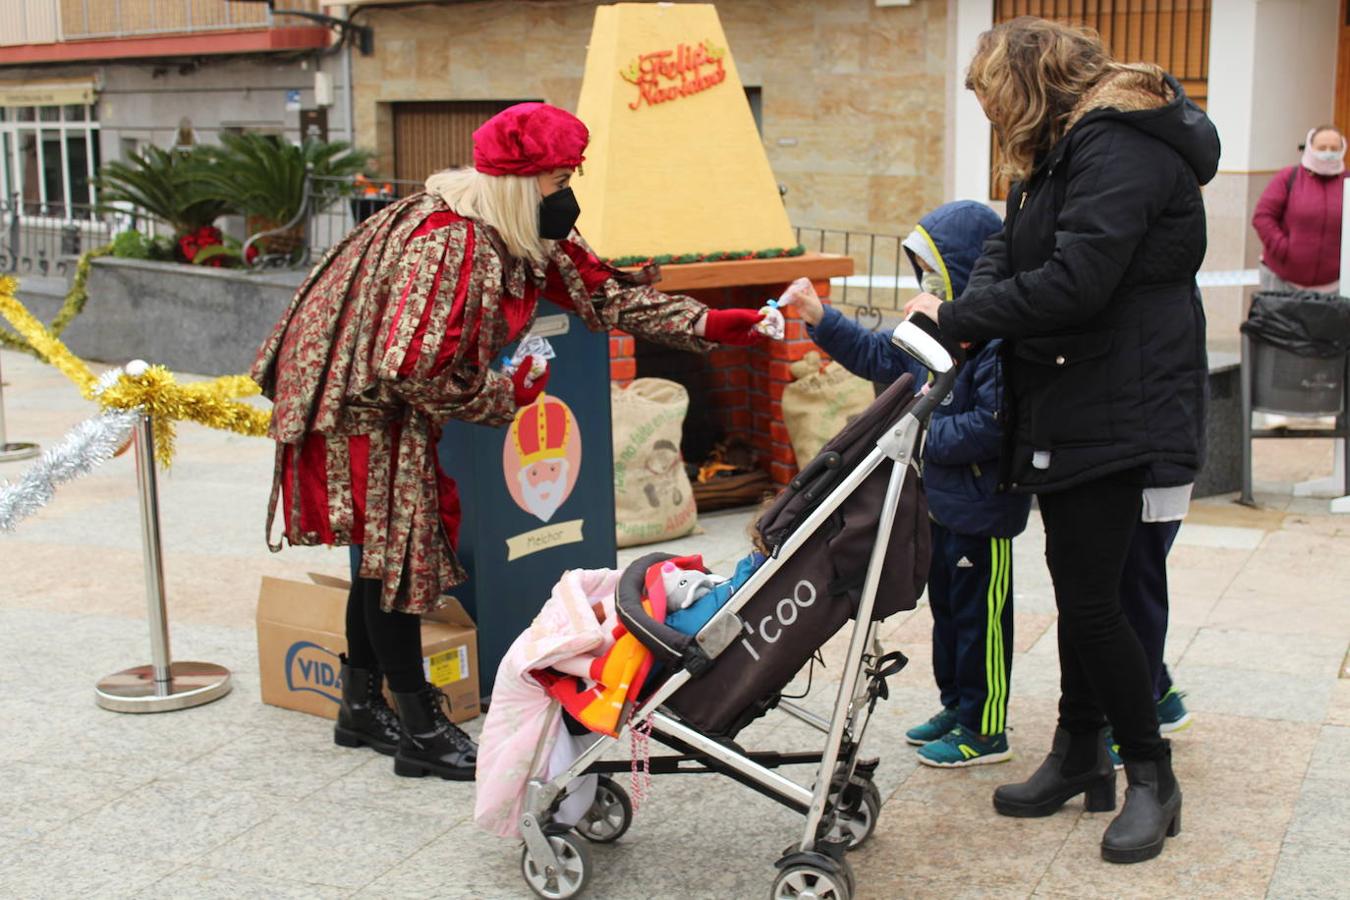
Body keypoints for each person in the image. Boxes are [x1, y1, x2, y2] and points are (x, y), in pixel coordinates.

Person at [251, 102, 767, 781]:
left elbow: (603, 293)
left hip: (380, 397)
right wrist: (507, 398)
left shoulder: (511, 227)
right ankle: (418, 726)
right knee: (400, 560)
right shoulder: (452, 243)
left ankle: (359, 706)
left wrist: (712, 322)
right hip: (366, 407)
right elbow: (408, 368)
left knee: (384, 555)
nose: (569, 197)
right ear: (523, 186)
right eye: (559, 182)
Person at [904, 17, 1216, 863]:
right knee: (1081, 585)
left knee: (1096, 599)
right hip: (1078, 395)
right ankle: (1081, 750)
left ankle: (1151, 771)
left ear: (1026, 82)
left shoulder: (1118, 149)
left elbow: (1080, 280)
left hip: (1125, 399)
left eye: (991, 96)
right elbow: (1010, 253)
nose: (990, 117)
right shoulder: (1057, 155)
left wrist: (961, 315)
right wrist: (960, 320)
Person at [780, 201, 1031, 768]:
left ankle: (986, 726)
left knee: (979, 618)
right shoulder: (935, 329)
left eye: (935, 274)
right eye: (922, 274)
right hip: (941, 504)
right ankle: (957, 705)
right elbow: (880, 355)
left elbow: (996, 424)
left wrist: (920, 435)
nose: (925, 285)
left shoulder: (996, 342)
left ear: (964, 274)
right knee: (947, 609)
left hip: (981, 508)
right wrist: (822, 318)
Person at [1253, 126, 1347, 294]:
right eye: (1322, 148)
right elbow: (1263, 217)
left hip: (1334, 288)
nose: (1328, 152)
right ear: (1310, 148)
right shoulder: (1288, 177)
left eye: (1334, 148)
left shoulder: (1347, 182)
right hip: (1282, 284)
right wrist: (1283, 249)